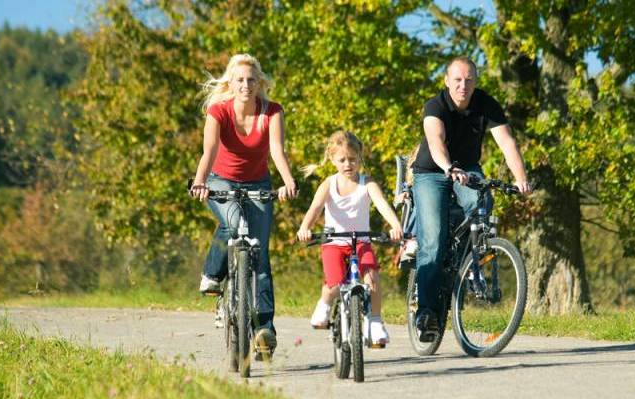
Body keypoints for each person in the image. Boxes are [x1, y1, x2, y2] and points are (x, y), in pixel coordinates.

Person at [411, 56, 532, 342]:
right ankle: (426, 312)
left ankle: (468, 257)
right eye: (457, 80)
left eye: (468, 80)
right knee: (433, 239)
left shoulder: (486, 104)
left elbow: (506, 143)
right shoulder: (435, 106)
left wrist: (521, 179)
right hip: (432, 172)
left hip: (467, 169)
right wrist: (448, 168)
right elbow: (436, 141)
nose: (463, 86)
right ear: (447, 81)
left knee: (483, 202)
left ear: (475, 82)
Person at [189, 53, 297, 358]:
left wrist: (288, 181)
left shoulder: (272, 112)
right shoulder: (218, 111)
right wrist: (200, 181)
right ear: (230, 83)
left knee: (260, 254)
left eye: (251, 80)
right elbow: (209, 150)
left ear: (259, 82)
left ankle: (265, 330)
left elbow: (277, 150)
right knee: (232, 225)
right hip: (220, 181)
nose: (246, 85)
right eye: (240, 80)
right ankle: (213, 273)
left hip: (258, 184)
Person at [297, 130, 403, 347]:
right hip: (334, 243)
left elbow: (382, 204)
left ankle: (374, 321)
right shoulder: (328, 183)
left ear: (360, 159)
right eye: (342, 159)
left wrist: (395, 225)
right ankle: (325, 304)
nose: (348, 164)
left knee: (372, 278)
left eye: (352, 159)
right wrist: (305, 227)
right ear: (333, 159)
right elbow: (315, 208)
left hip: (361, 242)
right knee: (335, 283)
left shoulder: (367, 183)